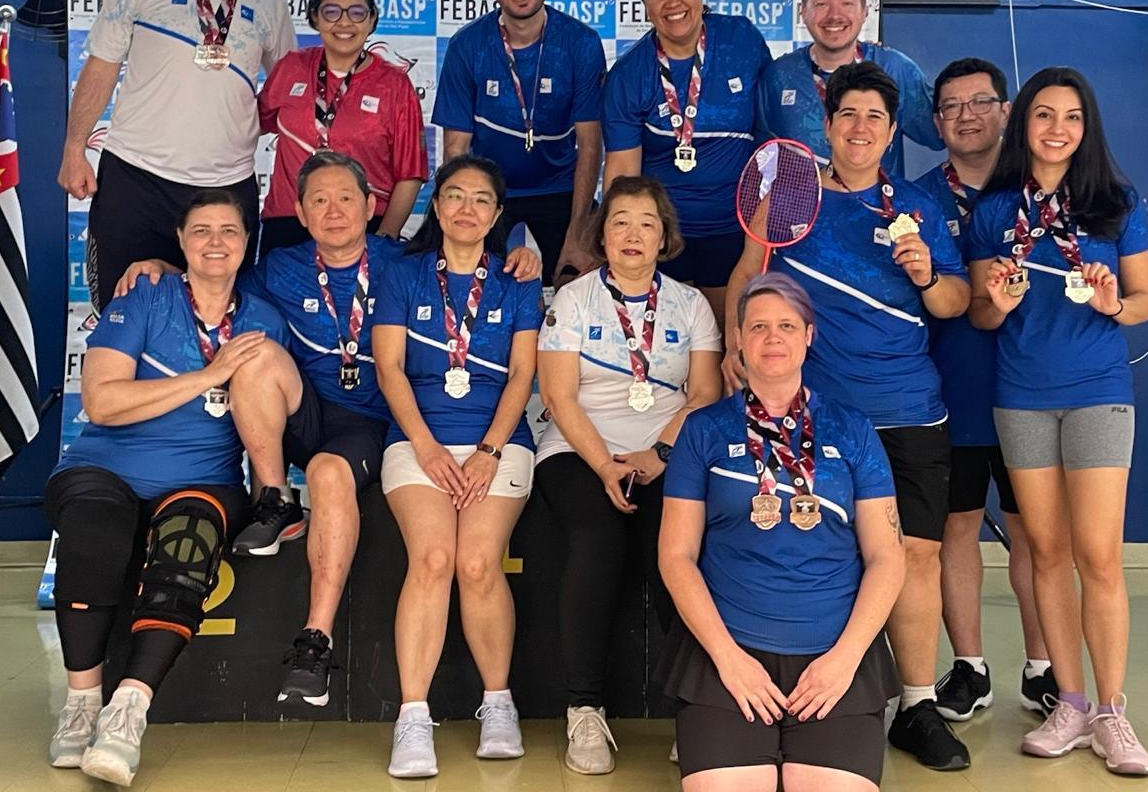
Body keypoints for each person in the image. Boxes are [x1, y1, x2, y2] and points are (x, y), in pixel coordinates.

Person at [111, 152, 542, 708]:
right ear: (299, 210)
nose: (334, 211)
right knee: (258, 354)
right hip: (303, 409)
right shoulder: (279, 266)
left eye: (346, 198)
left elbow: (477, 250)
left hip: (366, 423)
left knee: (330, 471)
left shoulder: (404, 262)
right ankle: (275, 499)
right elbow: (213, 269)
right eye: (319, 199)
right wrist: (160, 266)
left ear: (371, 206)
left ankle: (315, 640)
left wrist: (527, 250)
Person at [723, 61, 972, 771]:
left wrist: (926, 272)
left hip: (910, 411)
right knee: (830, 554)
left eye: (875, 119)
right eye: (847, 115)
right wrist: (734, 346)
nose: (860, 129)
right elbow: (748, 276)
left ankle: (917, 704)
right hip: (819, 417)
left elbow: (955, 304)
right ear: (827, 126)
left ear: (892, 133)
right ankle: (820, 695)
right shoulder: (790, 199)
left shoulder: (919, 206)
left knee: (916, 555)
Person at [44, 191, 287, 787]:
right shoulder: (142, 296)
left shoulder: (264, 319)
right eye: (201, 230)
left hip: (202, 478)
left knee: (188, 545)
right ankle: (80, 703)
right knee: (94, 532)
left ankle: (128, 712)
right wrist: (208, 376)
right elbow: (101, 402)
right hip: (105, 467)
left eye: (229, 231)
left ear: (246, 242)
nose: (215, 243)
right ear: (179, 241)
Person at [967, 67, 1148, 775]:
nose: (1056, 130)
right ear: (1024, 125)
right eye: (1043, 116)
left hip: (1098, 391)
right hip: (1021, 394)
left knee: (1099, 557)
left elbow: (1142, 303)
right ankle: (1069, 702)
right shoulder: (993, 212)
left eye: (1071, 117)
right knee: (1044, 553)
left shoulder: (1116, 202)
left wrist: (1112, 305)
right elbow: (983, 315)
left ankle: (1113, 712)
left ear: (1087, 127)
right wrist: (999, 302)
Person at [659, 273, 905, 791]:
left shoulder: (851, 427)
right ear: (740, 339)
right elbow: (676, 557)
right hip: (729, 657)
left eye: (787, 326)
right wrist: (728, 659)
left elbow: (888, 556)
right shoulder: (703, 431)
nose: (773, 338)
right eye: (759, 326)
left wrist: (845, 660)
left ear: (809, 335)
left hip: (835, 660)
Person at [536, 175, 722, 774]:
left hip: (666, 451)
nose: (633, 234)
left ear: (664, 234)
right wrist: (605, 465)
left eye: (646, 222)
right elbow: (559, 397)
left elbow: (705, 393)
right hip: (577, 449)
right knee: (597, 540)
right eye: (619, 221)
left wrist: (657, 458)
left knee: (675, 553)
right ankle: (584, 711)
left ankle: (696, 709)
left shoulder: (690, 303)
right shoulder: (575, 299)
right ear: (602, 234)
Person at [58, 0, 296, 312]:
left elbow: (288, 89)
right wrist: (74, 150)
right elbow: (102, 67)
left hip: (227, 186)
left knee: (220, 320)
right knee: (124, 315)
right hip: (135, 177)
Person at [372, 155, 543, 778]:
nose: (466, 209)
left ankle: (498, 704)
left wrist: (490, 451)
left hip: (499, 443)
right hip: (418, 442)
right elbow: (389, 369)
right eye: (454, 196)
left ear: (497, 215)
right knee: (433, 559)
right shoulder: (402, 274)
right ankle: (412, 718)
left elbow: (524, 373)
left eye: (480, 200)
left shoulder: (518, 278)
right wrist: (426, 446)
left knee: (475, 561)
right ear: (436, 206)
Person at [914, 57, 1055, 721]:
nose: (966, 116)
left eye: (980, 102)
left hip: (1036, 391)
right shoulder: (913, 200)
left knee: (1036, 535)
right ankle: (969, 668)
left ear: (1005, 111)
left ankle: (1044, 664)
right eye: (951, 106)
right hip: (953, 392)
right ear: (935, 120)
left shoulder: (1044, 193)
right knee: (957, 529)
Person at [603, 0, 772, 326]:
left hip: (736, 229)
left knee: (729, 340)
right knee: (670, 345)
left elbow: (770, 141)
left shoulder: (741, 40)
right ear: (645, 5)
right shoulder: (629, 75)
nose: (671, 2)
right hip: (664, 234)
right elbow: (622, 173)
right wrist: (615, 245)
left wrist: (759, 234)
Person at [433, 0, 605, 285]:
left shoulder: (582, 43)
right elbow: (456, 149)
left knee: (580, 283)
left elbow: (590, 145)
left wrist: (578, 233)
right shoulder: (467, 46)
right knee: (479, 286)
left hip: (563, 190)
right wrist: (464, 223)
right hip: (491, 191)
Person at [257, 0, 427, 255]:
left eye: (357, 12)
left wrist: (384, 239)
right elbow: (252, 124)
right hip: (288, 221)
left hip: (361, 224)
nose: (344, 22)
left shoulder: (394, 85)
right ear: (314, 17)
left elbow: (410, 174)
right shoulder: (291, 68)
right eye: (332, 11)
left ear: (372, 19)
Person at [756, 0, 942, 176]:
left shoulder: (894, 69)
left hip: (875, 208)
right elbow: (760, 157)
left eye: (847, 3)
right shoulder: (778, 76)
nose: (835, 15)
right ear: (802, 12)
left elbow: (942, 134)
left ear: (865, 11)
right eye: (822, 4)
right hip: (802, 209)